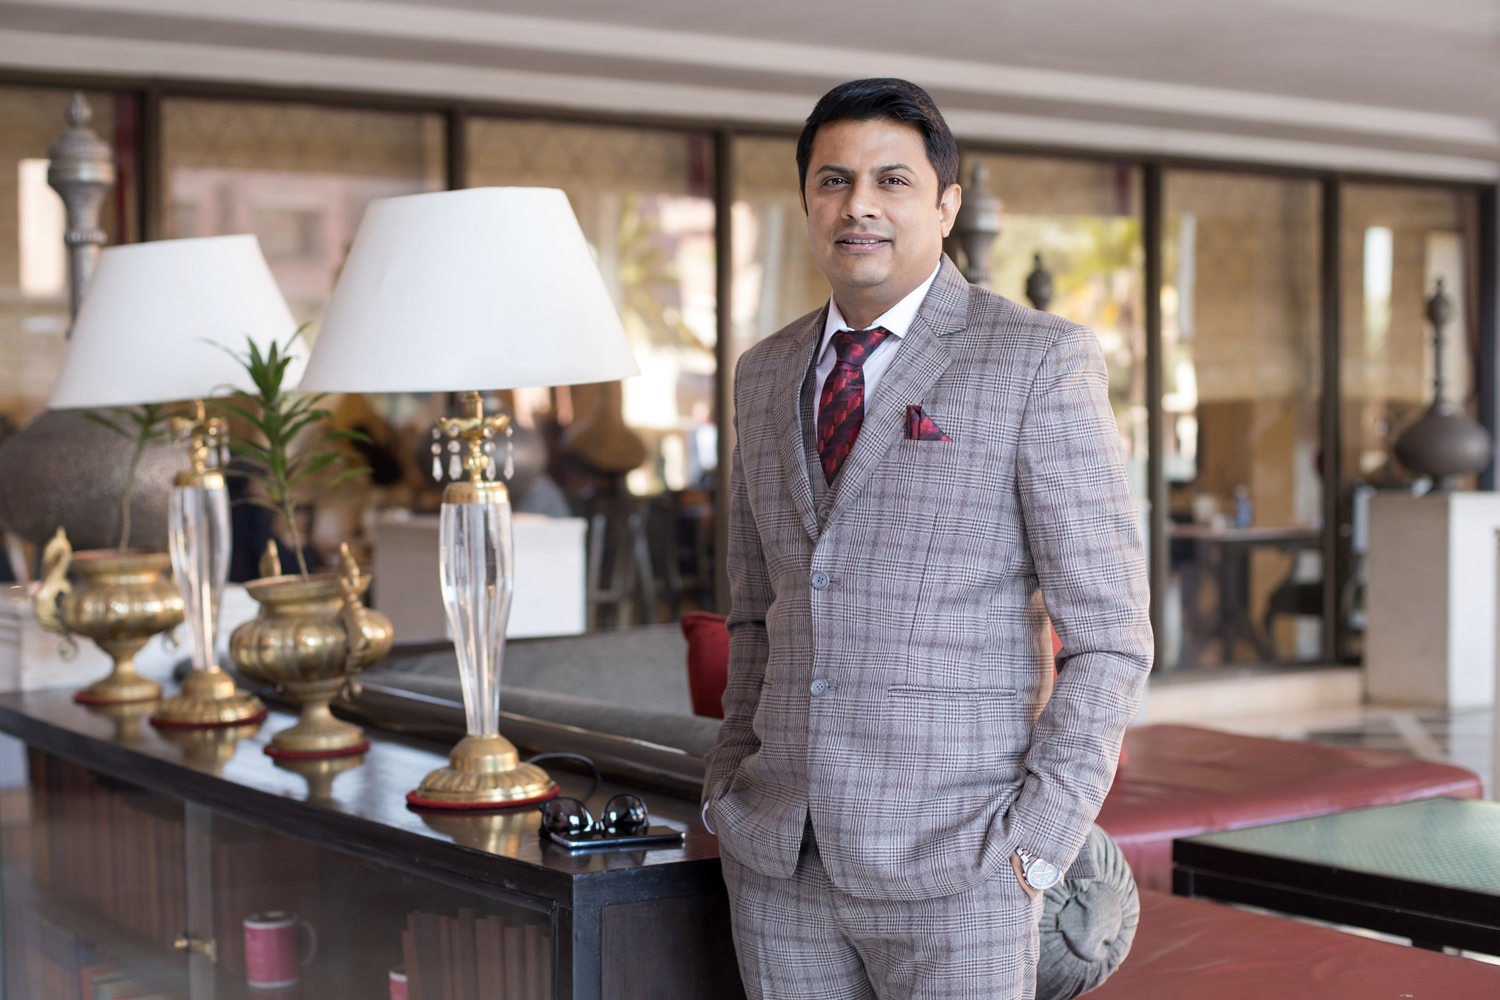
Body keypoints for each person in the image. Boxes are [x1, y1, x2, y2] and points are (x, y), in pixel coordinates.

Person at [702, 78, 1152, 1000]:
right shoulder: (763, 373)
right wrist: (728, 786)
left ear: (945, 206)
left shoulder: (1036, 361)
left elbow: (1111, 637)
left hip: (963, 865)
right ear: (807, 201)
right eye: (833, 181)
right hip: (778, 859)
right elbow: (754, 611)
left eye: (892, 180)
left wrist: (1039, 842)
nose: (858, 204)